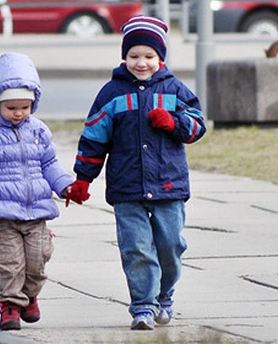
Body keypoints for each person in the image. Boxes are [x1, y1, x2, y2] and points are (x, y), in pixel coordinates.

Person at [65, 16, 207, 330]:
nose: (140, 63)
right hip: (127, 187)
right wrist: (82, 179)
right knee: (137, 249)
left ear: (161, 58)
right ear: (124, 57)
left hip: (168, 185)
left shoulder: (174, 90)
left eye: (148, 56)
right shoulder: (111, 94)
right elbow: (94, 138)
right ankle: (142, 306)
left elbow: (198, 125)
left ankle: (164, 296)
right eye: (133, 56)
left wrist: (174, 123)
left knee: (171, 246)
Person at [0, 52, 74, 331]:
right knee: (10, 264)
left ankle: (29, 294)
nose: (18, 113)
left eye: (25, 107)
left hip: (36, 211)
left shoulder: (38, 131)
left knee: (38, 260)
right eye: (11, 107)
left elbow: (49, 164)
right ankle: (9, 305)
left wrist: (65, 185)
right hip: (1, 215)